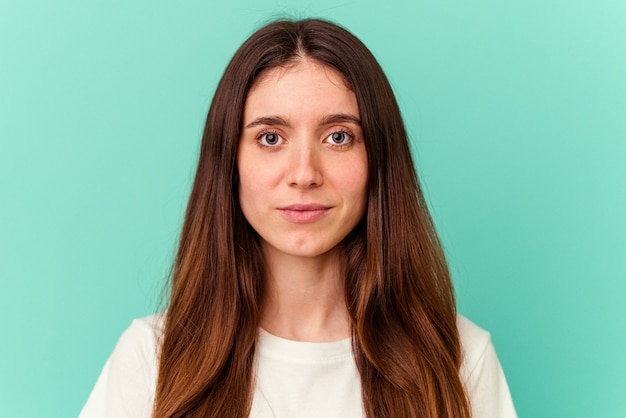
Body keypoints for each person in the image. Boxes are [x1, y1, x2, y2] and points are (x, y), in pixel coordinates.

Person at [80, 18, 517, 418]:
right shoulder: (149, 358)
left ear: (378, 160)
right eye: (270, 138)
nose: (304, 174)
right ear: (229, 162)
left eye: (338, 136)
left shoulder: (459, 358)